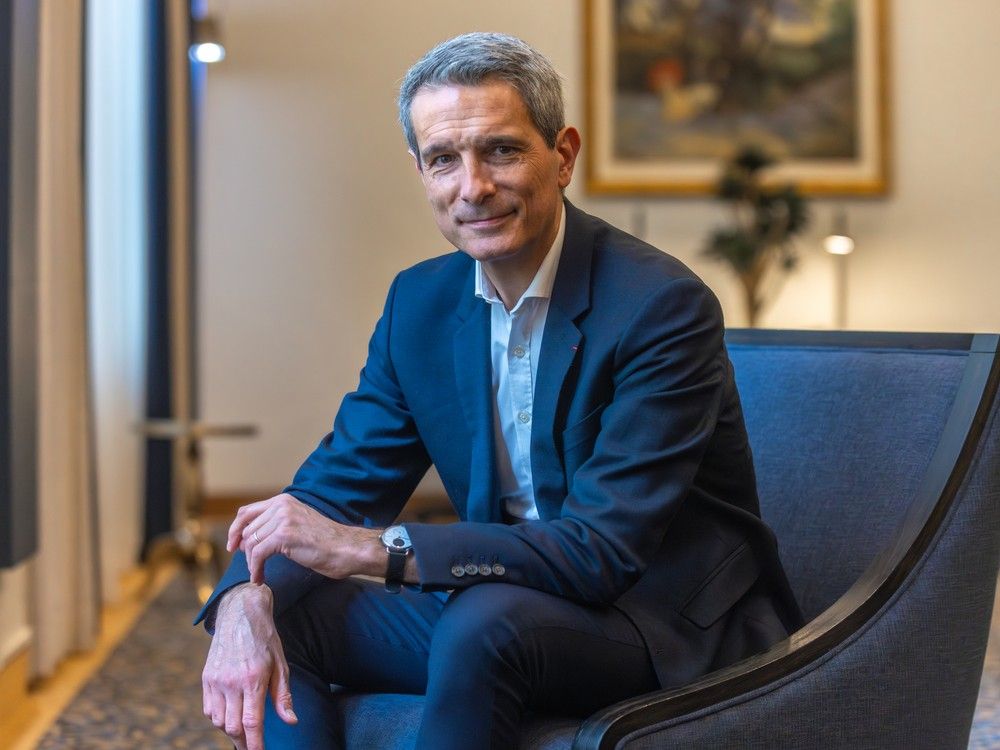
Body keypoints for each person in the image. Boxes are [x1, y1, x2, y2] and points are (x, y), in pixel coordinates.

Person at [197, 32, 802, 750]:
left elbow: (601, 550)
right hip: (499, 600)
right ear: (420, 171)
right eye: (444, 159)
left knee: (484, 624)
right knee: (281, 621)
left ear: (563, 155)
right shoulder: (418, 305)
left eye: (503, 151)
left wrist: (376, 551)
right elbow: (339, 484)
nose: (472, 187)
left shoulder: (660, 304)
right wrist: (242, 595)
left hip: (658, 618)